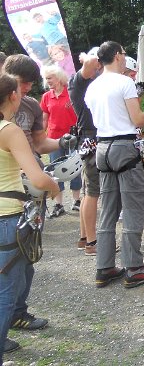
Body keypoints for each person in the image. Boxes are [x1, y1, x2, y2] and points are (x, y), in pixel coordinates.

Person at [84, 41, 144, 289]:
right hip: (124, 146)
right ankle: (134, 267)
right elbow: (137, 118)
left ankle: (105, 266)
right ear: (118, 56)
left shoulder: (93, 87)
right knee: (133, 207)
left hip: (103, 148)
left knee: (108, 209)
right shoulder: (124, 82)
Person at [1, 54, 73, 331]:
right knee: (8, 269)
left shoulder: (30, 105)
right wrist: (52, 186)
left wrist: (64, 142)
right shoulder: (8, 122)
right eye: (21, 84)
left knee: (27, 257)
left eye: (30, 84)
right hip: (14, 193)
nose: (26, 89)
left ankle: (18, 312)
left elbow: (40, 144)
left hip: (29, 195)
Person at [0, 73, 60, 359]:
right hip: (7, 216)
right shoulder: (8, 130)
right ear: (13, 95)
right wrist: (54, 187)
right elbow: (37, 177)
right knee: (6, 290)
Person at [68, 49, 103, 255]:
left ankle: (84, 238)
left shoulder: (86, 83)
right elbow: (89, 62)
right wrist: (87, 58)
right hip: (91, 139)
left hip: (87, 139)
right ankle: (92, 242)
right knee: (92, 192)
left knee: (87, 192)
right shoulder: (79, 81)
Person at [40, 65, 81, 218]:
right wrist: (40, 137)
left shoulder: (71, 93)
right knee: (55, 170)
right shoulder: (46, 97)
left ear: (58, 77)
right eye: (46, 78)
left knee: (74, 168)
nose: (47, 81)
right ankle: (59, 204)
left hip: (72, 137)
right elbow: (44, 119)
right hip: (53, 139)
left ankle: (76, 200)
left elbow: (80, 113)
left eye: (50, 77)